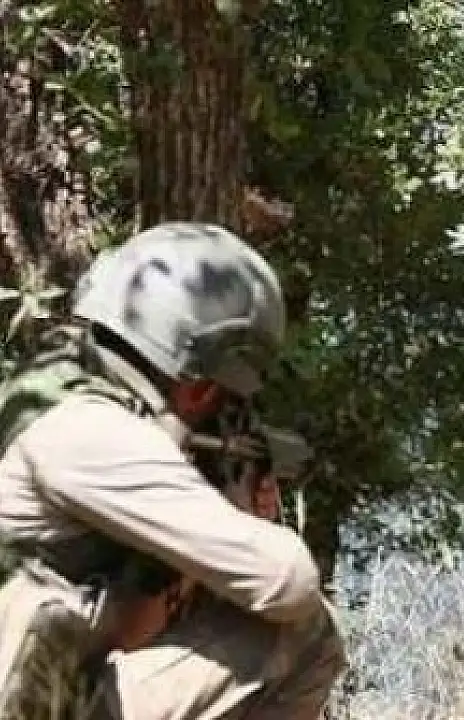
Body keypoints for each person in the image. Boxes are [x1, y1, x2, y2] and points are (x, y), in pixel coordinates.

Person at [0, 222, 345, 719]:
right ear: (201, 389)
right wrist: (241, 523)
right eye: (223, 402)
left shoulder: (47, 390)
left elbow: (125, 627)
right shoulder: (91, 433)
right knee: (305, 632)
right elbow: (290, 583)